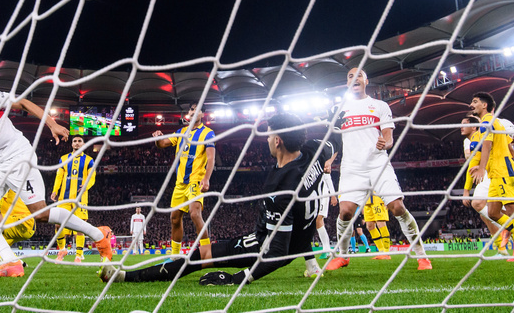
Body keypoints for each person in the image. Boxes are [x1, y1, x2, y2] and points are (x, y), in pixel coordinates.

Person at [100, 113, 332, 285]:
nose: (267, 139)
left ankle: (124, 276)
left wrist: (238, 278)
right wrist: (330, 156)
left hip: (260, 245)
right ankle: (125, 275)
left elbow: (277, 253)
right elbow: (334, 142)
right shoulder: (314, 150)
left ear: (278, 140)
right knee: (200, 255)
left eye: (270, 134)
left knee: (198, 258)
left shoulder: (278, 186)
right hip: (299, 236)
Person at [0, 77, 113, 278]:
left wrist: (52, 124)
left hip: (18, 154)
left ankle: (99, 235)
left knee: (39, 214)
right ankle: (10, 262)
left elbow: (24, 103)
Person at [324, 68, 431, 271]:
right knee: (345, 212)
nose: (354, 78)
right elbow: (335, 140)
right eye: (349, 76)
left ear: (366, 80)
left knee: (397, 207)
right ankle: (343, 256)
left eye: (359, 75)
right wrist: (330, 159)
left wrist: (386, 143)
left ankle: (422, 256)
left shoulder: (380, 106)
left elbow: (388, 136)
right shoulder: (339, 108)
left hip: (378, 165)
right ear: (347, 83)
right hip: (351, 167)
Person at [468, 92, 514, 262]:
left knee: (513, 211)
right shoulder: (491, 123)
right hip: (495, 175)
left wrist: (481, 169)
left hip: (503, 172)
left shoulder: (488, 121)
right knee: (493, 213)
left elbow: (488, 145)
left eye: (474, 102)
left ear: (484, 105)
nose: (471, 105)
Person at [152, 104, 216, 262]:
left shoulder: (208, 133)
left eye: (198, 109)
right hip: (180, 183)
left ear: (202, 113)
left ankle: (207, 254)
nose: (194, 112)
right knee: (174, 218)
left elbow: (210, 158)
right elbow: (163, 144)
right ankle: (174, 256)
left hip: (196, 180)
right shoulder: (181, 132)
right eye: (192, 109)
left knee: (195, 213)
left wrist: (206, 178)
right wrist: (157, 138)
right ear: (188, 113)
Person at [461, 115, 511, 255]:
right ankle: (501, 248)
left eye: (464, 124)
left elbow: (472, 162)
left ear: (474, 126)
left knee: (478, 204)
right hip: (488, 174)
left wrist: (466, 190)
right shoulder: (469, 141)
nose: (461, 127)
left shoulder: (480, 135)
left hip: (493, 172)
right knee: (485, 215)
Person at [51, 135, 97, 262]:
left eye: (79, 141)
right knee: (57, 224)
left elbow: (92, 177)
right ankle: (62, 250)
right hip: (64, 198)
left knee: (80, 226)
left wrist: (85, 186)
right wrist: (55, 190)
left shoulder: (89, 160)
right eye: (75, 141)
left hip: (80, 199)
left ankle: (78, 255)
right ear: (72, 144)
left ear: (83, 144)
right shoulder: (64, 158)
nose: (77, 143)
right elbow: (59, 176)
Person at [307, 149, 337, 274]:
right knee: (317, 221)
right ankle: (327, 248)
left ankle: (327, 249)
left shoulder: (322, 163)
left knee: (319, 219)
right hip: (318, 195)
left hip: (324, 194)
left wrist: (333, 195)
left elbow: (328, 178)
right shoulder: (313, 165)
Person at [363, 194, 391, 260]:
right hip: (367, 200)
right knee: (370, 226)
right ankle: (381, 252)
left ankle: (386, 253)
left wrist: (387, 199)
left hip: (377, 198)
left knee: (381, 224)